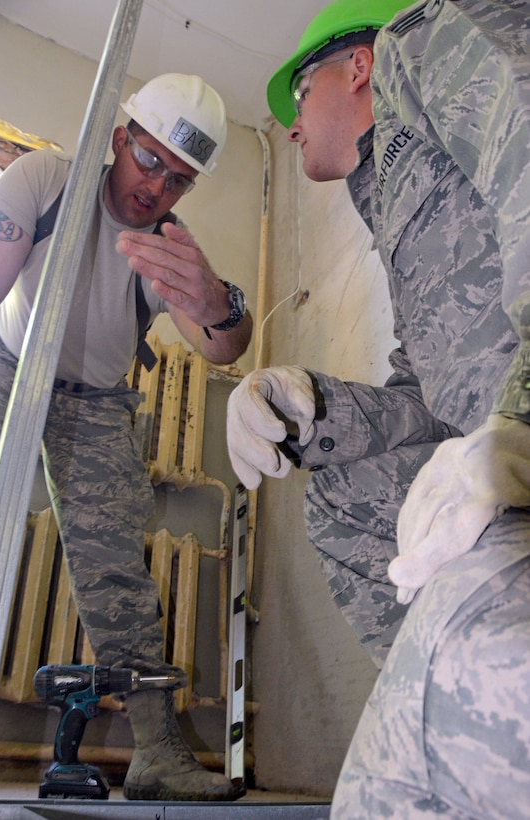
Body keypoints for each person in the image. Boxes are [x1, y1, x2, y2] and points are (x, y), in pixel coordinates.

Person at [227, 0, 530, 815]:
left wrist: (524, 418)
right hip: (501, 481)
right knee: (346, 488)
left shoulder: (421, 44)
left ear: (355, 66)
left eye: (299, 90)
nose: (289, 126)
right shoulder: (388, 194)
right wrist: (307, 406)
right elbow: (424, 399)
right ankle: (447, 707)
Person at [0, 73, 252, 802]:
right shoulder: (46, 178)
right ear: (116, 140)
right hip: (7, 359)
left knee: (118, 580)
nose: (157, 185)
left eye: (179, 178)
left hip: (96, 402)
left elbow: (224, 348)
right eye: (149, 159)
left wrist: (220, 302)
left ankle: (158, 754)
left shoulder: (164, 247)